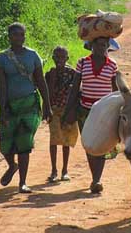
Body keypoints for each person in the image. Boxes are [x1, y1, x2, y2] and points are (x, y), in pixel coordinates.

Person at [0, 22, 52, 193]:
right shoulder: (2, 58)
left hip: (29, 104)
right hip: (10, 105)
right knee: (5, 144)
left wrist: (47, 105)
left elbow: (41, 81)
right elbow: (1, 86)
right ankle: (12, 166)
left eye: (21, 34)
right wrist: (2, 110)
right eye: (15, 35)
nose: (19, 38)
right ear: (9, 37)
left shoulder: (33, 56)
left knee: (24, 143)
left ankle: (23, 183)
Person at [62, 37, 118, 194]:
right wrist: (68, 110)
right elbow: (75, 87)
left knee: (101, 144)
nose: (101, 48)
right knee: (89, 143)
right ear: (91, 46)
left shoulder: (112, 65)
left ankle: (96, 179)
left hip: (104, 111)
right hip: (84, 109)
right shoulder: (82, 62)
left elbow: (115, 91)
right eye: (98, 45)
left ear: (108, 47)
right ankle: (95, 177)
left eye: (104, 45)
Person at [45, 46, 78, 183]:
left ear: (67, 59)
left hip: (67, 110)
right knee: (53, 140)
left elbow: (75, 93)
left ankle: (65, 170)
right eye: (57, 57)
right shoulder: (50, 74)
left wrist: (72, 112)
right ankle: (54, 170)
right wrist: (46, 110)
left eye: (62, 57)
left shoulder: (73, 73)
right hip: (54, 109)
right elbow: (47, 94)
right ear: (53, 58)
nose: (59, 60)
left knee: (66, 140)